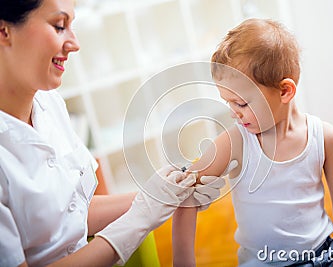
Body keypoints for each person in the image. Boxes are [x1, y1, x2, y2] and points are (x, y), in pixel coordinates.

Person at [0, 0, 227, 266]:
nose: (74, 43)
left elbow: (71, 214)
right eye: (60, 26)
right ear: (5, 31)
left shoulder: (49, 104)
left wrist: (161, 197)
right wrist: (139, 219)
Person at [172, 19, 333, 266]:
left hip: (322, 252)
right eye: (228, 102)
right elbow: (185, 194)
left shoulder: (325, 137)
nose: (234, 113)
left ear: (285, 91)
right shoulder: (235, 142)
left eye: (241, 104)